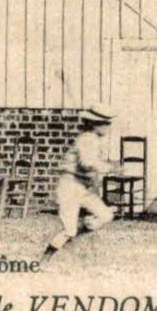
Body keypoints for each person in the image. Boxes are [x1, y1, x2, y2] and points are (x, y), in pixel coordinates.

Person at [42, 108, 118, 260]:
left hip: (82, 187)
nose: (108, 127)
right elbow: (86, 164)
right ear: (95, 124)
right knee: (69, 231)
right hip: (70, 185)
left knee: (106, 215)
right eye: (104, 123)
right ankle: (44, 260)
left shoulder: (93, 139)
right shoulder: (87, 139)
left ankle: (74, 236)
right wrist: (111, 168)